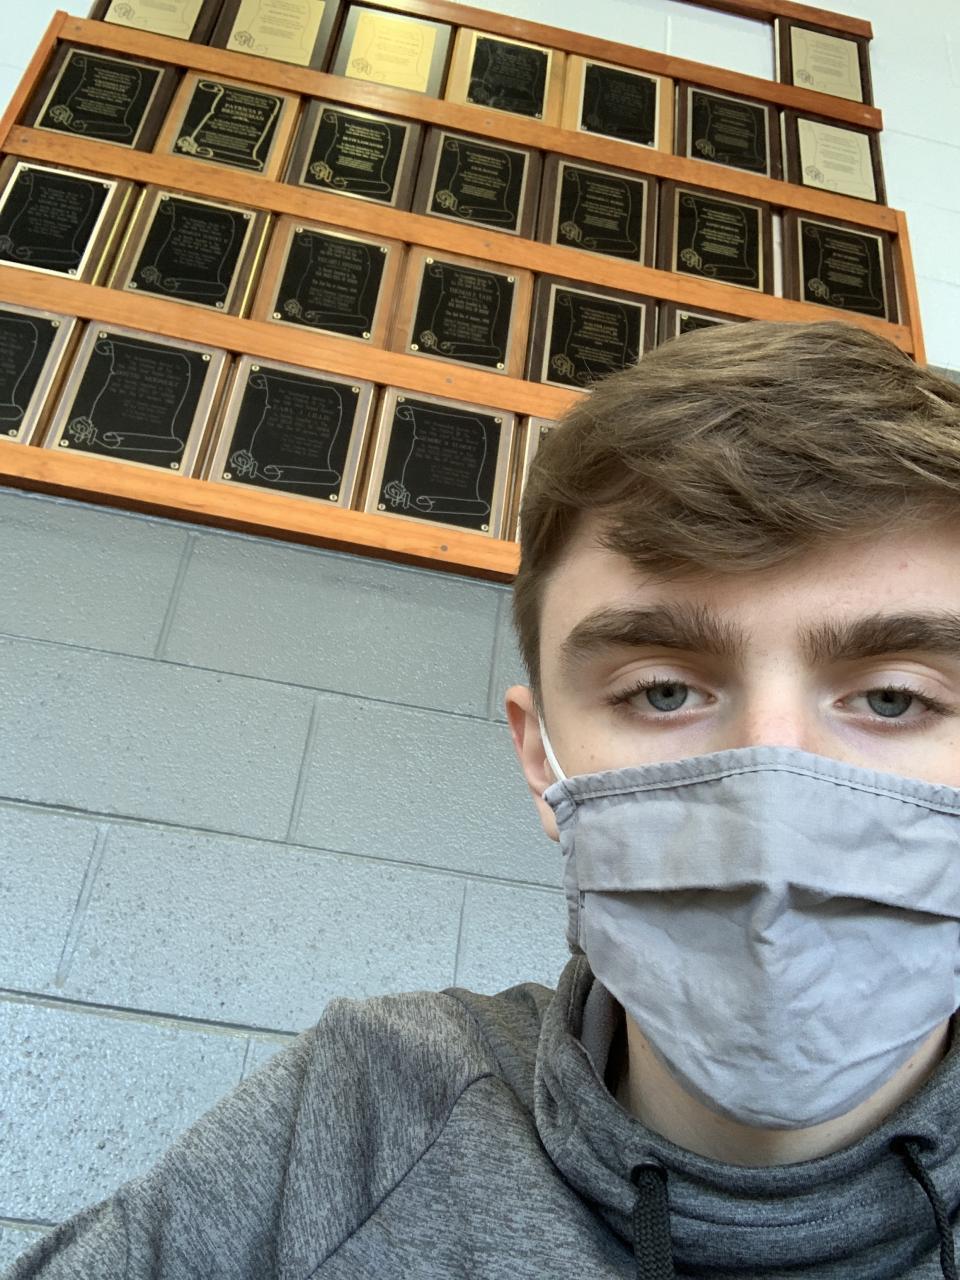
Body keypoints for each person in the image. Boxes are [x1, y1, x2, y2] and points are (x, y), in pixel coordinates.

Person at [6, 318, 960, 1280]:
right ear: (544, 762)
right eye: (664, 692)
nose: (770, 808)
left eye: (894, 698)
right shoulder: (364, 1107)